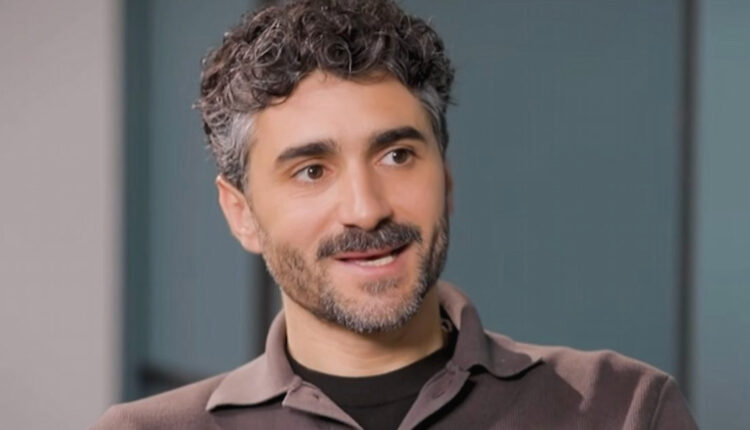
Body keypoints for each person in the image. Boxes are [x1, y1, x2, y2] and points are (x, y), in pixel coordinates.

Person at [93, 0, 697, 428]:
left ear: (446, 179)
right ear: (241, 213)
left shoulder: (623, 409)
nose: (367, 209)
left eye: (397, 155)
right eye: (312, 170)